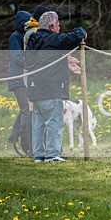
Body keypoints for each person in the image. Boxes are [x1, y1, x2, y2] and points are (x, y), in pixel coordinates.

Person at [25, 11, 87, 163]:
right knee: (54, 122)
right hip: (51, 88)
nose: (60, 28)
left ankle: (39, 155)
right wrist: (82, 31)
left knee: (38, 124)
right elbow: (77, 35)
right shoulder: (54, 40)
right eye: (58, 25)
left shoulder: (32, 40)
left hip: (35, 90)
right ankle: (53, 154)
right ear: (52, 27)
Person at [7, 10, 33, 156]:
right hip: (18, 79)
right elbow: (17, 57)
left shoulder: (25, 36)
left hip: (26, 78)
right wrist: (32, 66)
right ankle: (27, 146)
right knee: (25, 110)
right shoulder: (15, 37)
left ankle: (13, 135)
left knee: (27, 109)